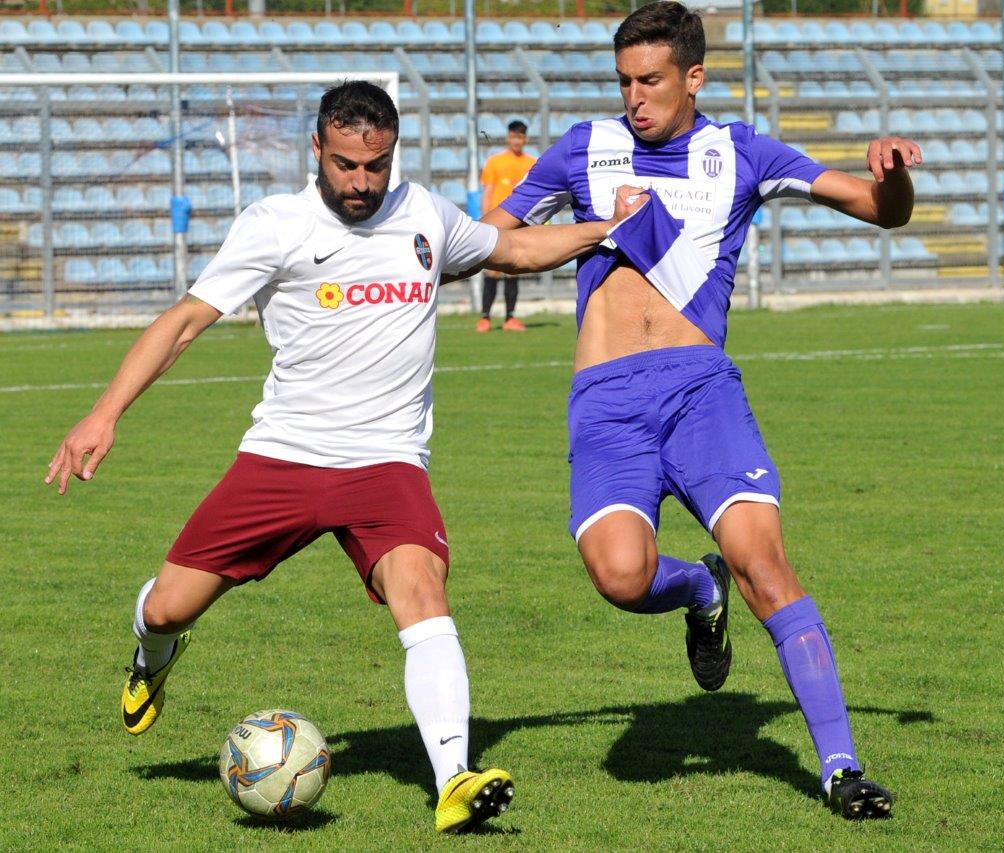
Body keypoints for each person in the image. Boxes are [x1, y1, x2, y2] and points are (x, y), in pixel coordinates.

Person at [43, 81, 645, 834]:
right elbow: (185, 321)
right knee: (168, 605)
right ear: (317, 151)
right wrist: (104, 413)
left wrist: (605, 229)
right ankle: (153, 652)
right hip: (283, 458)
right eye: (345, 165)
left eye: (376, 166)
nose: (361, 182)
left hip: (388, 463)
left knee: (422, 591)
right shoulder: (276, 225)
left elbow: (515, 248)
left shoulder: (424, 214)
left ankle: (454, 780)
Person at [482, 1, 919, 820]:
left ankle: (841, 768)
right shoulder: (583, 148)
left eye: (650, 81)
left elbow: (880, 208)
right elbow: (491, 242)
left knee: (765, 563)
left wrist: (894, 175)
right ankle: (697, 588)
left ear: (693, 78)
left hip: (699, 391)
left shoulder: (743, 152)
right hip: (606, 400)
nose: (634, 97)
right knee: (620, 576)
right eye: (623, 81)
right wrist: (597, 228)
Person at [477, 120, 538, 332]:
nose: (516, 141)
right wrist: (485, 220)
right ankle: (485, 318)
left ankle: (510, 318)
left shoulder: (532, 163)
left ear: (525, 139)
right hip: (497, 223)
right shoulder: (495, 162)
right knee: (492, 270)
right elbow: (488, 193)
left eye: (520, 137)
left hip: (519, 223)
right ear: (508, 137)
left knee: (513, 270)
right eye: (513, 136)